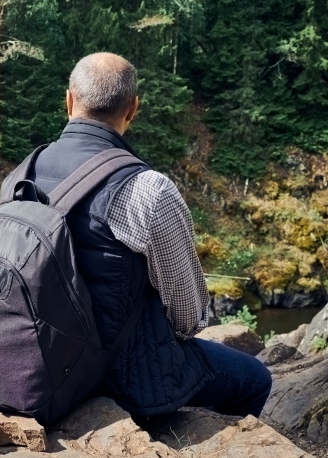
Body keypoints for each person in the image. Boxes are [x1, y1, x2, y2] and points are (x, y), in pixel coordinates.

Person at [27, 52, 272, 419]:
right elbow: (188, 319)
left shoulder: (21, 175)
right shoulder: (147, 188)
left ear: (69, 100)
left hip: (36, 364)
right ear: (132, 110)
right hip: (119, 377)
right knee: (256, 380)